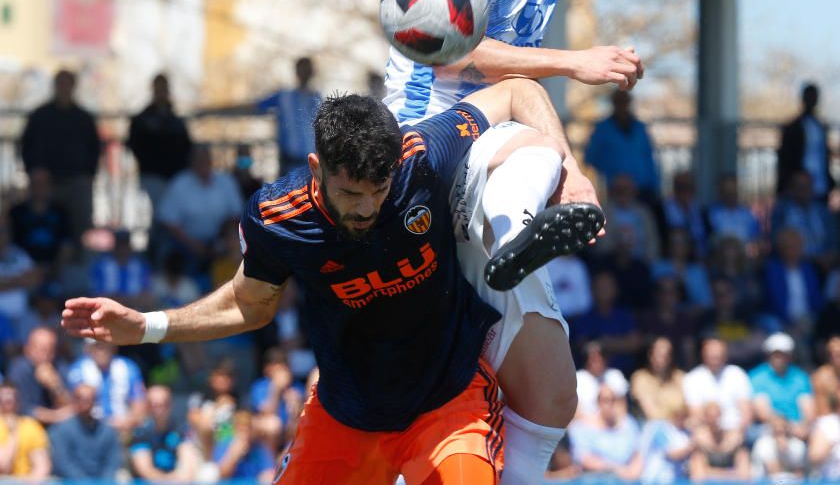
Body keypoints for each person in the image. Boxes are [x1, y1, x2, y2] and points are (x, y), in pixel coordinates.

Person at [383, 0, 780, 479]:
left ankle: (513, 233)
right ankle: (515, 232)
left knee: (552, 395)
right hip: (429, 143)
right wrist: (576, 62)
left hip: (495, 164)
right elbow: (447, 46)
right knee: (531, 116)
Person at [62, 78, 599, 483]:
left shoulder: (419, 156)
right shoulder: (277, 217)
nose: (367, 208)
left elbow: (517, 91)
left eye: (379, 190)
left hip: (448, 404)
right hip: (345, 414)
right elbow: (250, 305)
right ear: (317, 167)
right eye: (351, 194)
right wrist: (148, 326)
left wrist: (571, 171)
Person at [19, 69, 101, 241]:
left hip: (77, 181)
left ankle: (77, 263)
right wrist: (34, 170)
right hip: (46, 182)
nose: (63, 88)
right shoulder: (40, 115)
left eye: (67, 84)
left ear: (73, 87)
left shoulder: (84, 118)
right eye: (60, 84)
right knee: (45, 228)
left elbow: (95, 149)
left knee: (79, 226)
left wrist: (88, 174)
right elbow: (25, 145)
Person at [156, 144, 244, 276]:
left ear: (211, 161)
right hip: (186, 241)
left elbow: (236, 215)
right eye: (199, 160)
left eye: (206, 159)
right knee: (169, 250)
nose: (203, 163)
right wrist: (195, 245)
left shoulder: (226, 182)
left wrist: (221, 240)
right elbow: (168, 221)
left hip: (220, 239)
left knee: (239, 245)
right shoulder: (180, 183)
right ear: (192, 162)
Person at [127, 73, 193, 213]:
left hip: (174, 177)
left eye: (164, 88)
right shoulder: (142, 120)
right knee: (158, 215)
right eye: (159, 88)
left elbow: (186, 147)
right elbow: (135, 145)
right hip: (151, 175)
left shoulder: (176, 121)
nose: (161, 92)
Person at [584, 90, 660, 205]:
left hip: (642, 189)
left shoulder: (640, 128)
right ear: (613, 103)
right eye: (619, 102)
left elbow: (649, 158)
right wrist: (613, 173)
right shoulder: (602, 129)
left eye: (625, 102)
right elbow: (590, 157)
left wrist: (654, 185)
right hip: (615, 190)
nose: (622, 105)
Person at [257, 56, 323, 175]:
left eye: (307, 70)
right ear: (297, 72)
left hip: (312, 161)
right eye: (302, 70)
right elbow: (258, 106)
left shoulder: (317, 98)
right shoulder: (284, 96)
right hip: (289, 159)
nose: (305, 73)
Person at [67, 340, 147, 433]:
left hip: (125, 428)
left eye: (106, 346)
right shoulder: (78, 370)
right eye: (97, 346)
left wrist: (127, 422)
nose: (102, 351)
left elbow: (140, 404)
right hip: (89, 430)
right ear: (88, 348)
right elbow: (72, 406)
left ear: (113, 347)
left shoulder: (129, 367)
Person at [8, 168, 73, 278]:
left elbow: (67, 246)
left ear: (51, 186)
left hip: (54, 270)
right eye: (35, 184)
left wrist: (55, 270)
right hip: (21, 271)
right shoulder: (16, 212)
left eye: (43, 184)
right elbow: (8, 245)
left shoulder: (60, 212)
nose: (39, 188)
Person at [748, 333, 815, 440]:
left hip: (798, 428)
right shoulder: (757, 377)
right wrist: (787, 428)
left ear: (790, 356)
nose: (779, 358)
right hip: (769, 428)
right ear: (768, 355)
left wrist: (804, 427)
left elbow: (808, 410)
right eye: (776, 354)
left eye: (784, 354)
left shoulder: (801, 377)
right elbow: (763, 413)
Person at [48, 383, 121, 480]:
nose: (85, 403)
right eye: (80, 399)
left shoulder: (108, 431)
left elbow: (112, 462)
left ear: (95, 401)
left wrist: (103, 482)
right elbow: (63, 462)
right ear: (74, 400)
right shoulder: (61, 430)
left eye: (89, 399)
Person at [567, 383, 640, 476]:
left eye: (613, 400)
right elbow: (583, 458)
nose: (610, 404)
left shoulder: (628, 424)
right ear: (598, 402)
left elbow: (638, 454)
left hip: (626, 478)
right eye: (606, 400)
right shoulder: (582, 427)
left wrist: (633, 472)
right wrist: (615, 469)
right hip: (595, 478)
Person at [683, 337, 752, 435]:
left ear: (725, 354)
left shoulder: (737, 373)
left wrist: (737, 435)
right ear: (703, 354)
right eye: (711, 352)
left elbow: (746, 413)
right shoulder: (692, 378)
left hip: (736, 431)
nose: (715, 355)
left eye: (718, 353)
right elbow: (696, 414)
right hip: (706, 433)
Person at [130, 384, 199, 482]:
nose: (160, 410)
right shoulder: (141, 432)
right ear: (147, 407)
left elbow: (187, 463)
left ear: (170, 405)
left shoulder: (181, 428)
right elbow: (145, 470)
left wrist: (176, 480)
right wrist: (166, 481)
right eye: (154, 405)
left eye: (164, 404)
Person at [6, 327, 72, 426]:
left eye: (51, 350)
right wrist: (56, 416)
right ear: (27, 349)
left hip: (57, 428)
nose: (46, 355)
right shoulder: (18, 370)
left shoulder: (59, 366)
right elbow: (23, 409)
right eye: (42, 350)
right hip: (27, 427)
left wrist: (55, 386)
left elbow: (71, 406)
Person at [777, 82, 833, 200]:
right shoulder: (793, 127)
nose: (812, 100)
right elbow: (786, 157)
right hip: (799, 185)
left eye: (814, 97)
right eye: (809, 97)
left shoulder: (820, 126)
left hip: (820, 184)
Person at [687, 402, 750, 482]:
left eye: (717, 416)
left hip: (728, 471)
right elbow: (698, 475)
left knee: (742, 454)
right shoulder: (699, 438)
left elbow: (745, 475)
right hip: (720, 474)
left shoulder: (734, 438)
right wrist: (728, 474)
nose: (714, 420)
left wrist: (711, 472)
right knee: (697, 457)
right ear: (705, 417)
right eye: (711, 417)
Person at [630, 336, 687, 424]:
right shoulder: (640, 378)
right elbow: (651, 414)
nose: (661, 359)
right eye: (657, 354)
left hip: (680, 429)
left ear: (671, 357)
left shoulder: (681, 378)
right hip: (651, 428)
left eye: (665, 355)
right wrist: (675, 417)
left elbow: (688, 410)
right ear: (650, 355)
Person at [0, 383, 51, 479]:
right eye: (4, 399)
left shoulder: (31, 426)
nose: (9, 401)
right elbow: (3, 466)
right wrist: (13, 432)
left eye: (12, 398)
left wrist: (32, 481)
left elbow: (41, 465)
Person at [706, 173, 761, 250]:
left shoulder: (748, 214)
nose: (729, 194)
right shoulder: (710, 213)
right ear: (720, 192)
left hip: (744, 257)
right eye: (726, 190)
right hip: (720, 255)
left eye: (732, 189)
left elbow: (756, 239)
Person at [750, 414, 806, 479]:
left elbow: (800, 475)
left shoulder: (798, 446)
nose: (781, 436)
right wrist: (782, 451)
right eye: (777, 432)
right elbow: (774, 471)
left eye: (783, 432)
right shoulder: (763, 444)